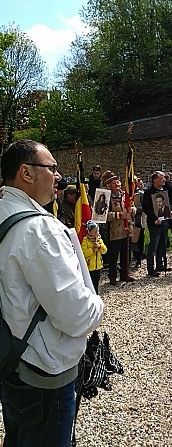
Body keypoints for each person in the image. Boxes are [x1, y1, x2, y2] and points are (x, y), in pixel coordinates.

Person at [0, 139, 105, 445]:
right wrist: (98, 305)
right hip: (44, 371)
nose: (59, 176)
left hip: (11, 358)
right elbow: (75, 315)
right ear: (26, 173)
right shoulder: (39, 230)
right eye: (52, 168)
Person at [104, 175, 135, 286]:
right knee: (114, 256)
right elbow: (103, 214)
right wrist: (119, 214)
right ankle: (112, 277)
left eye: (118, 182)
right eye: (114, 183)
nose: (117, 185)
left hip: (127, 229)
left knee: (126, 253)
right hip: (115, 230)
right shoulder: (106, 197)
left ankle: (125, 274)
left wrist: (132, 210)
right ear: (109, 186)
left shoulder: (125, 195)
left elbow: (133, 206)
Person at [143, 171, 172, 277]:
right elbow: (146, 208)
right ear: (155, 180)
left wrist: (169, 212)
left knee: (162, 244)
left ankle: (160, 264)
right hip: (154, 222)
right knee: (153, 246)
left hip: (164, 221)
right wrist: (154, 218)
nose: (164, 180)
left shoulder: (164, 190)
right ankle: (150, 269)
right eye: (161, 178)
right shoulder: (149, 193)